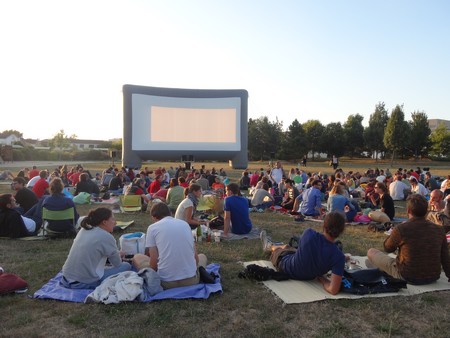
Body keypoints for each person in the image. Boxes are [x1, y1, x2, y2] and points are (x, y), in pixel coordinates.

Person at [367, 194, 450, 285]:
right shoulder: (439, 229)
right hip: (433, 277)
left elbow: (387, 248)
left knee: (371, 252)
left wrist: (393, 234)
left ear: (408, 210)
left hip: (407, 276)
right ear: (426, 211)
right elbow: (445, 257)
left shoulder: (402, 229)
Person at [261, 211, 346, 295]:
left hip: (286, 266)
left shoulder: (309, 234)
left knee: (280, 250)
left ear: (324, 224)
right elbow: (333, 289)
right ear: (341, 231)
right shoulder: (338, 257)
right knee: (288, 248)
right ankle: (279, 246)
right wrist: (322, 278)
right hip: (308, 276)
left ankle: (270, 246)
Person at [132, 203, 207, 289]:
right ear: (170, 213)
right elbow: (196, 260)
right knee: (202, 256)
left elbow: (153, 265)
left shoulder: (152, 228)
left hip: (165, 282)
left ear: (153, 217)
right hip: (191, 281)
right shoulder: (185, 225)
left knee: (137, 257)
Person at [61, 207, 132, 289]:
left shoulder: (84, 229)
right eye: (112, 219)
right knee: (126, 266)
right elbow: (117, 264)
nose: (115, 223)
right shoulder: (106, 237)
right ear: (104, 222)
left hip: (66, 277)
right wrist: (119, 254)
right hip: (83, 282)